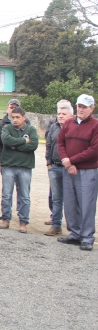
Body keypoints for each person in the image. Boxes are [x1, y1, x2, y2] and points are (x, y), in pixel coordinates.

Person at [57, 94, 98, 251]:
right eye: (79, 106)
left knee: (87, 204)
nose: (81, 109)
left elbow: (94, 150)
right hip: (69, 169)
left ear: (91, 109)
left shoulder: (95, 125)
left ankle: (87, 236)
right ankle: (75, 233)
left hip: (88, 170)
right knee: (70, 202)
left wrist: (71, 160)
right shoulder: (68, 123)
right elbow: (60, 142)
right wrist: (67, 161)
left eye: (84, 107)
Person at [0, 107, 39, 232]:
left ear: (24, 117)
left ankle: (23, 222)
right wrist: (23, 141)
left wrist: (15, 146)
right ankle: (6, 219)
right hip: (8, 166)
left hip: (25, 167)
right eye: (13, 117)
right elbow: (5, 140)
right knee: (6, 195)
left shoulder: (31, 129)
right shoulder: (7, 128)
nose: (15, 120)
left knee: (24, 196)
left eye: (17, 117)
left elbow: (33, 145)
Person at [44, 102, 73, 236]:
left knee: (71, 197)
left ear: (71, 115)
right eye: (59, 114)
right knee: (56, 198)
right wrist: (49, 163)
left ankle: (74, 227)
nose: (60, 116)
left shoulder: (74, 128)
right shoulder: (54, 127)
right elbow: (49, 145)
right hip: (54, 167)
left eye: (64, 114)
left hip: (69, 168)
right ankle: (56, 225)